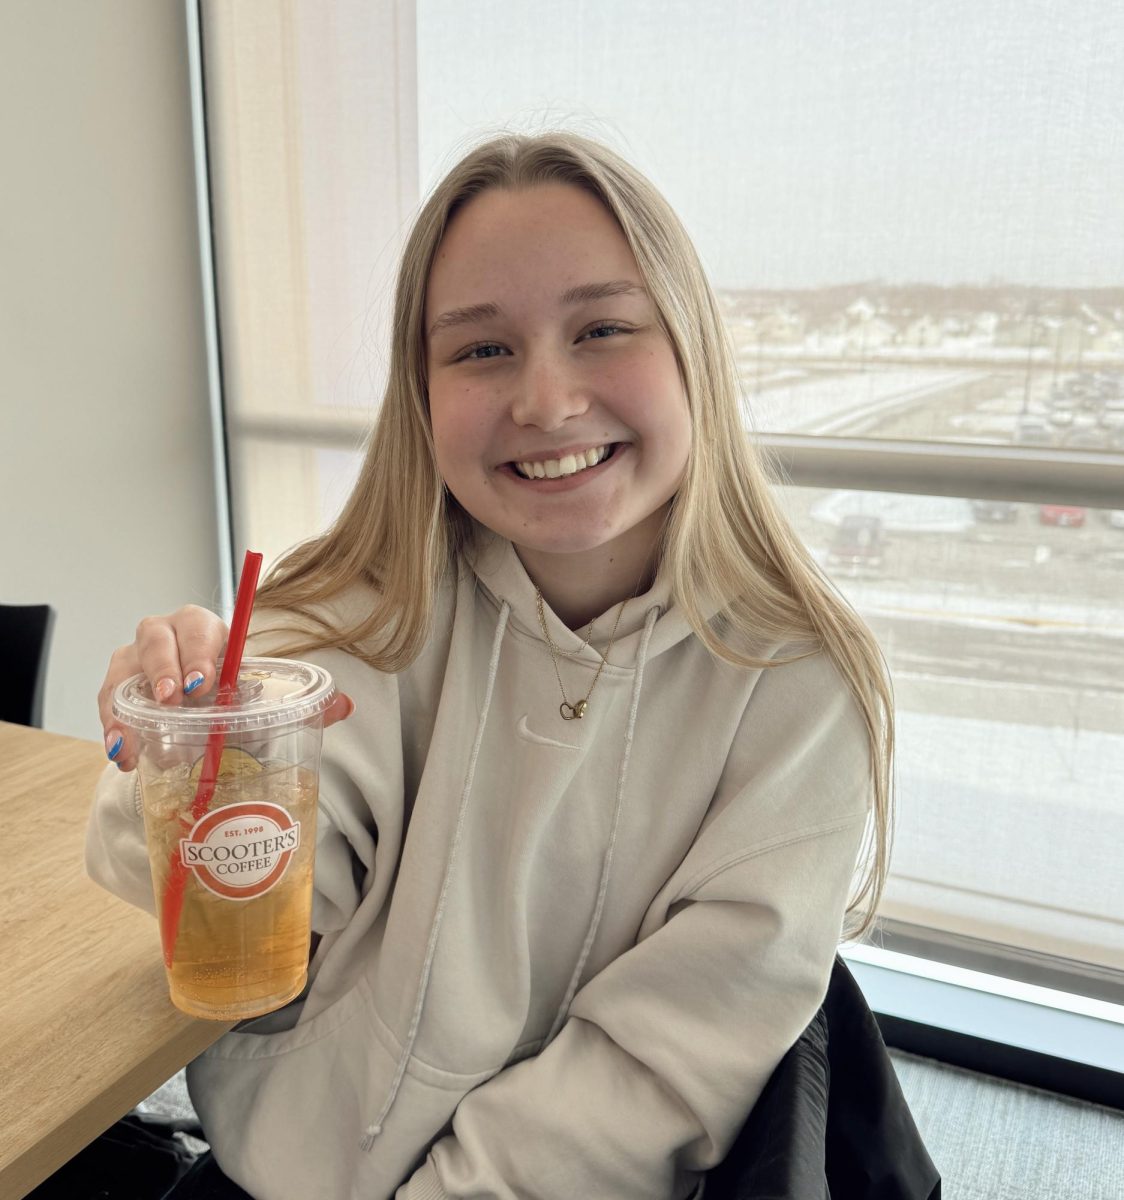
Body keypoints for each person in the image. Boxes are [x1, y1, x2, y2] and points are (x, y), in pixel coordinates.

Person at [87, 130, 895, 1200]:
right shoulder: (358, 618)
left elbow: (655, 1072)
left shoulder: (794, 689)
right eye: (480, 350)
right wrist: (175, 747)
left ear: (692, 349)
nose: (546, 401)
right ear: (418, 393)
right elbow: (180, 892)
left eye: (602, 328)